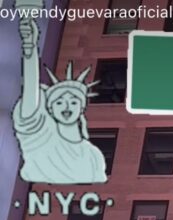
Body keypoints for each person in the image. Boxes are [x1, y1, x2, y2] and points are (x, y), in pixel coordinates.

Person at [16, 16, 107, 184]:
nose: (66, 106)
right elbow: (30, 90)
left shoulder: (93, 156)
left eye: (73, 102)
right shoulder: (39, 137)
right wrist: (30, 47)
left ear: (81, 108)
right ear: (49, 109)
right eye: (59, 102)